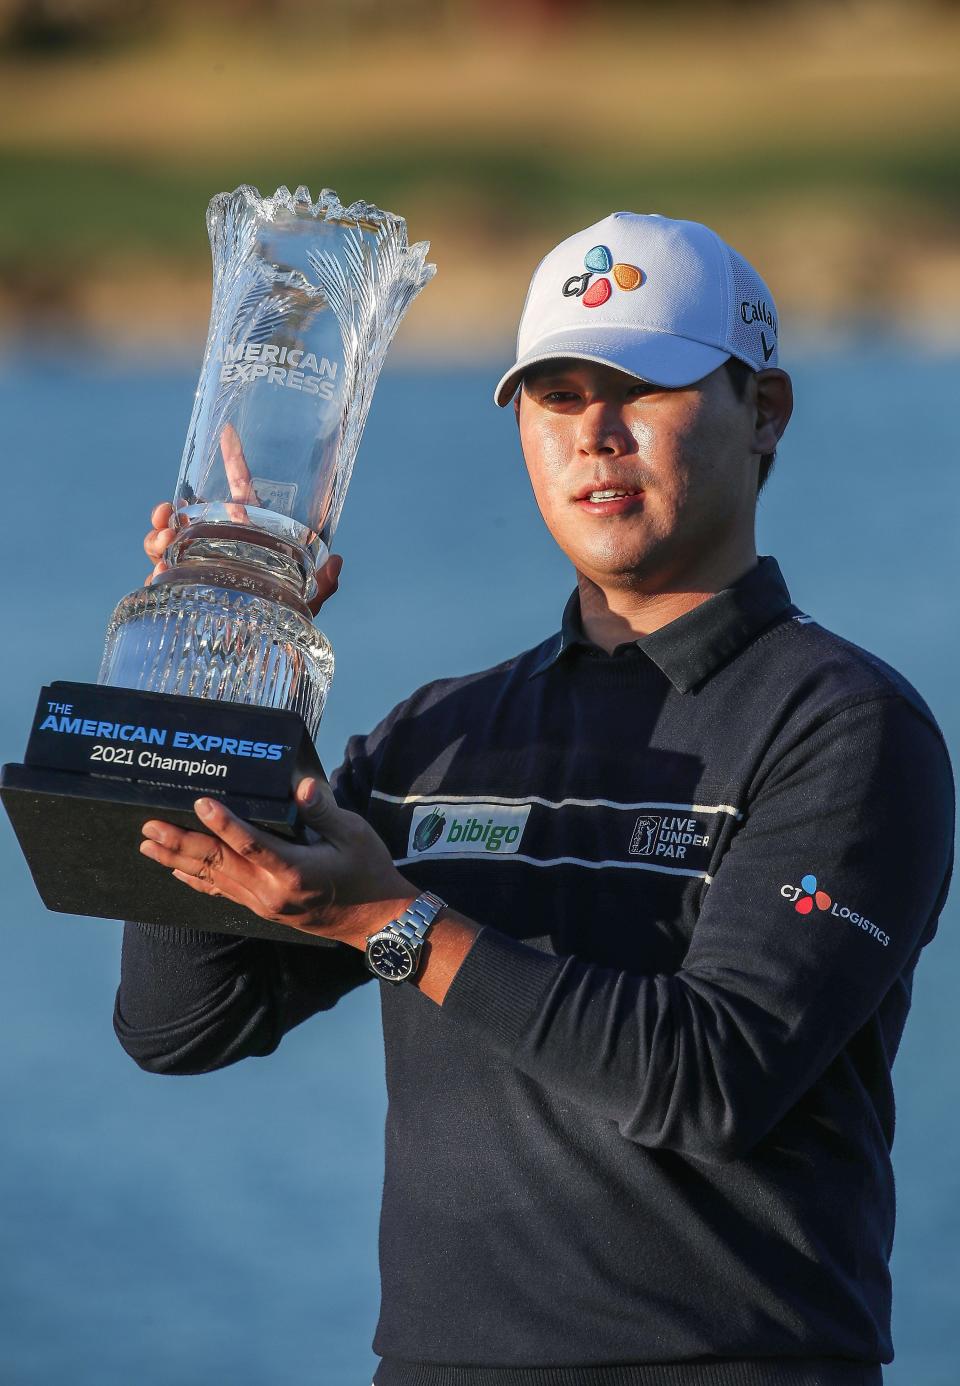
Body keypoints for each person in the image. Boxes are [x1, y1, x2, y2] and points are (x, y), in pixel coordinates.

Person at [117, 212, 955, 1386]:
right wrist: (230, 670)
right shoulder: (438, 735)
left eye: (642, 388)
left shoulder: (847, 726)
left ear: (765, 412)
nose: (595, 435)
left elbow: (712, 1080)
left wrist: (390, 924)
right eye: (557, 396)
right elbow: (181, 1025)